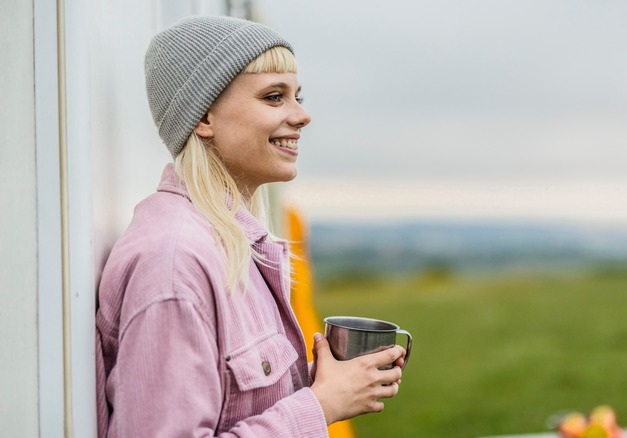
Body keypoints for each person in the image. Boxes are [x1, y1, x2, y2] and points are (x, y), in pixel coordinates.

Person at [95, 15, 405, 437]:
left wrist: (324, 382)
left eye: (297, 96)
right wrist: (320, 406)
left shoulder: (229, 241)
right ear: (204, 118)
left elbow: (232, 401)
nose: (302, 116)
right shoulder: (173, 263)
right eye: (274, 97)